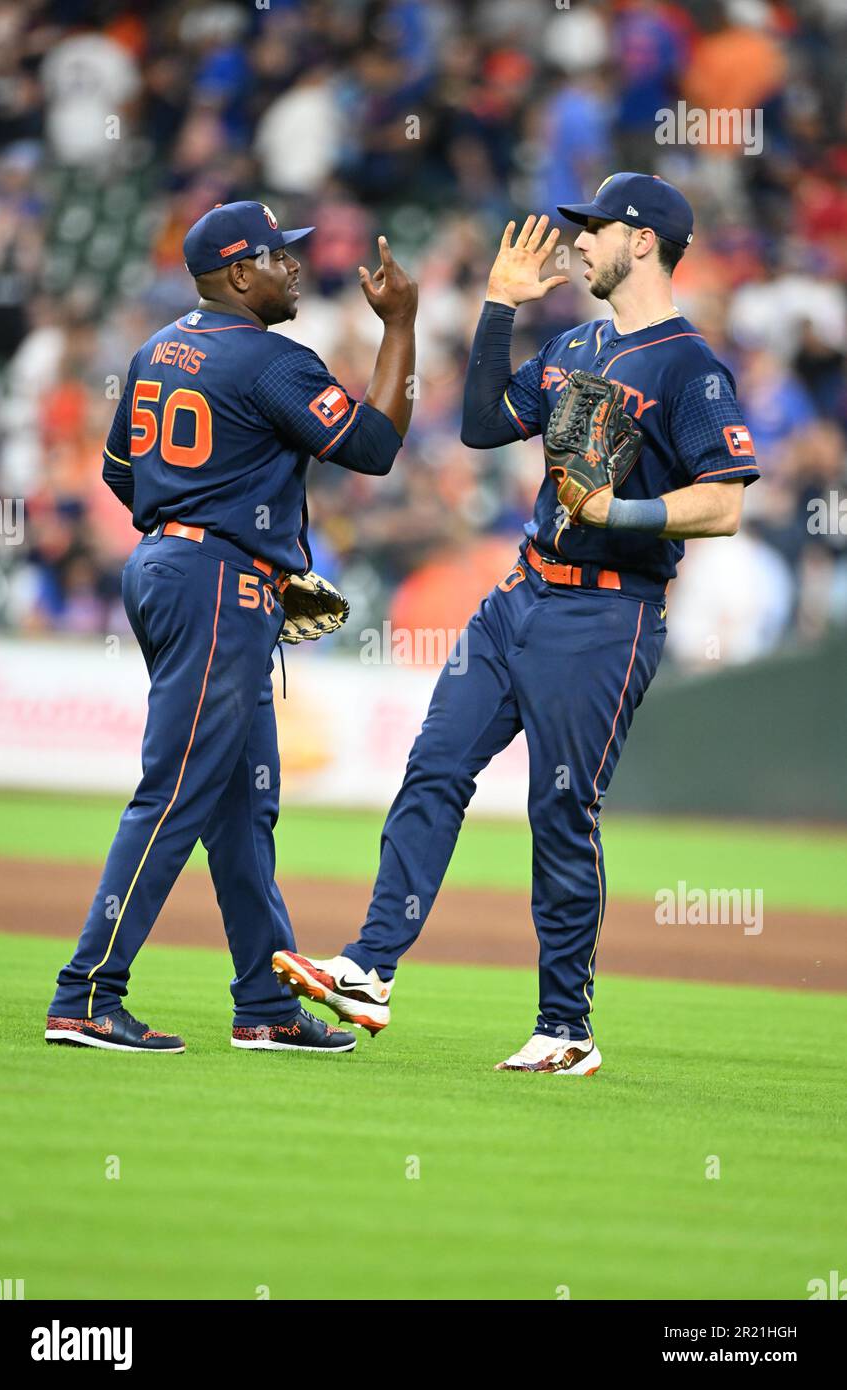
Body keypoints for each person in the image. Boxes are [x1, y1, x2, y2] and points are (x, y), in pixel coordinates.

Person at [273, 173, 760, 1075]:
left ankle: (566, 1028)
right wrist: (498, 308)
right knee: (435, 765)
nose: (577, 242)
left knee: (561, 809)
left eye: (595, 229)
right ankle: (371, 969)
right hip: (520, 596)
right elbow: (484, 425)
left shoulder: (691, 364)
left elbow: (723, 504)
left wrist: (622, 515)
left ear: (645, 241)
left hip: (607, 614)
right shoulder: (578, 338)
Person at [45, 201, 417, 1054]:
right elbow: (375, 445)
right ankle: (87, 993)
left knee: (244, 805)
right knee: (176, 790)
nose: (295, 268)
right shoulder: (271, 360)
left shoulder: (155, 349)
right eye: (280, 258)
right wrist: (401, 325)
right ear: (238, 275)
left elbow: (117, 473)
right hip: (214, 585)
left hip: (175, 569)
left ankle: (266, 1002)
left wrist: (201, 528)